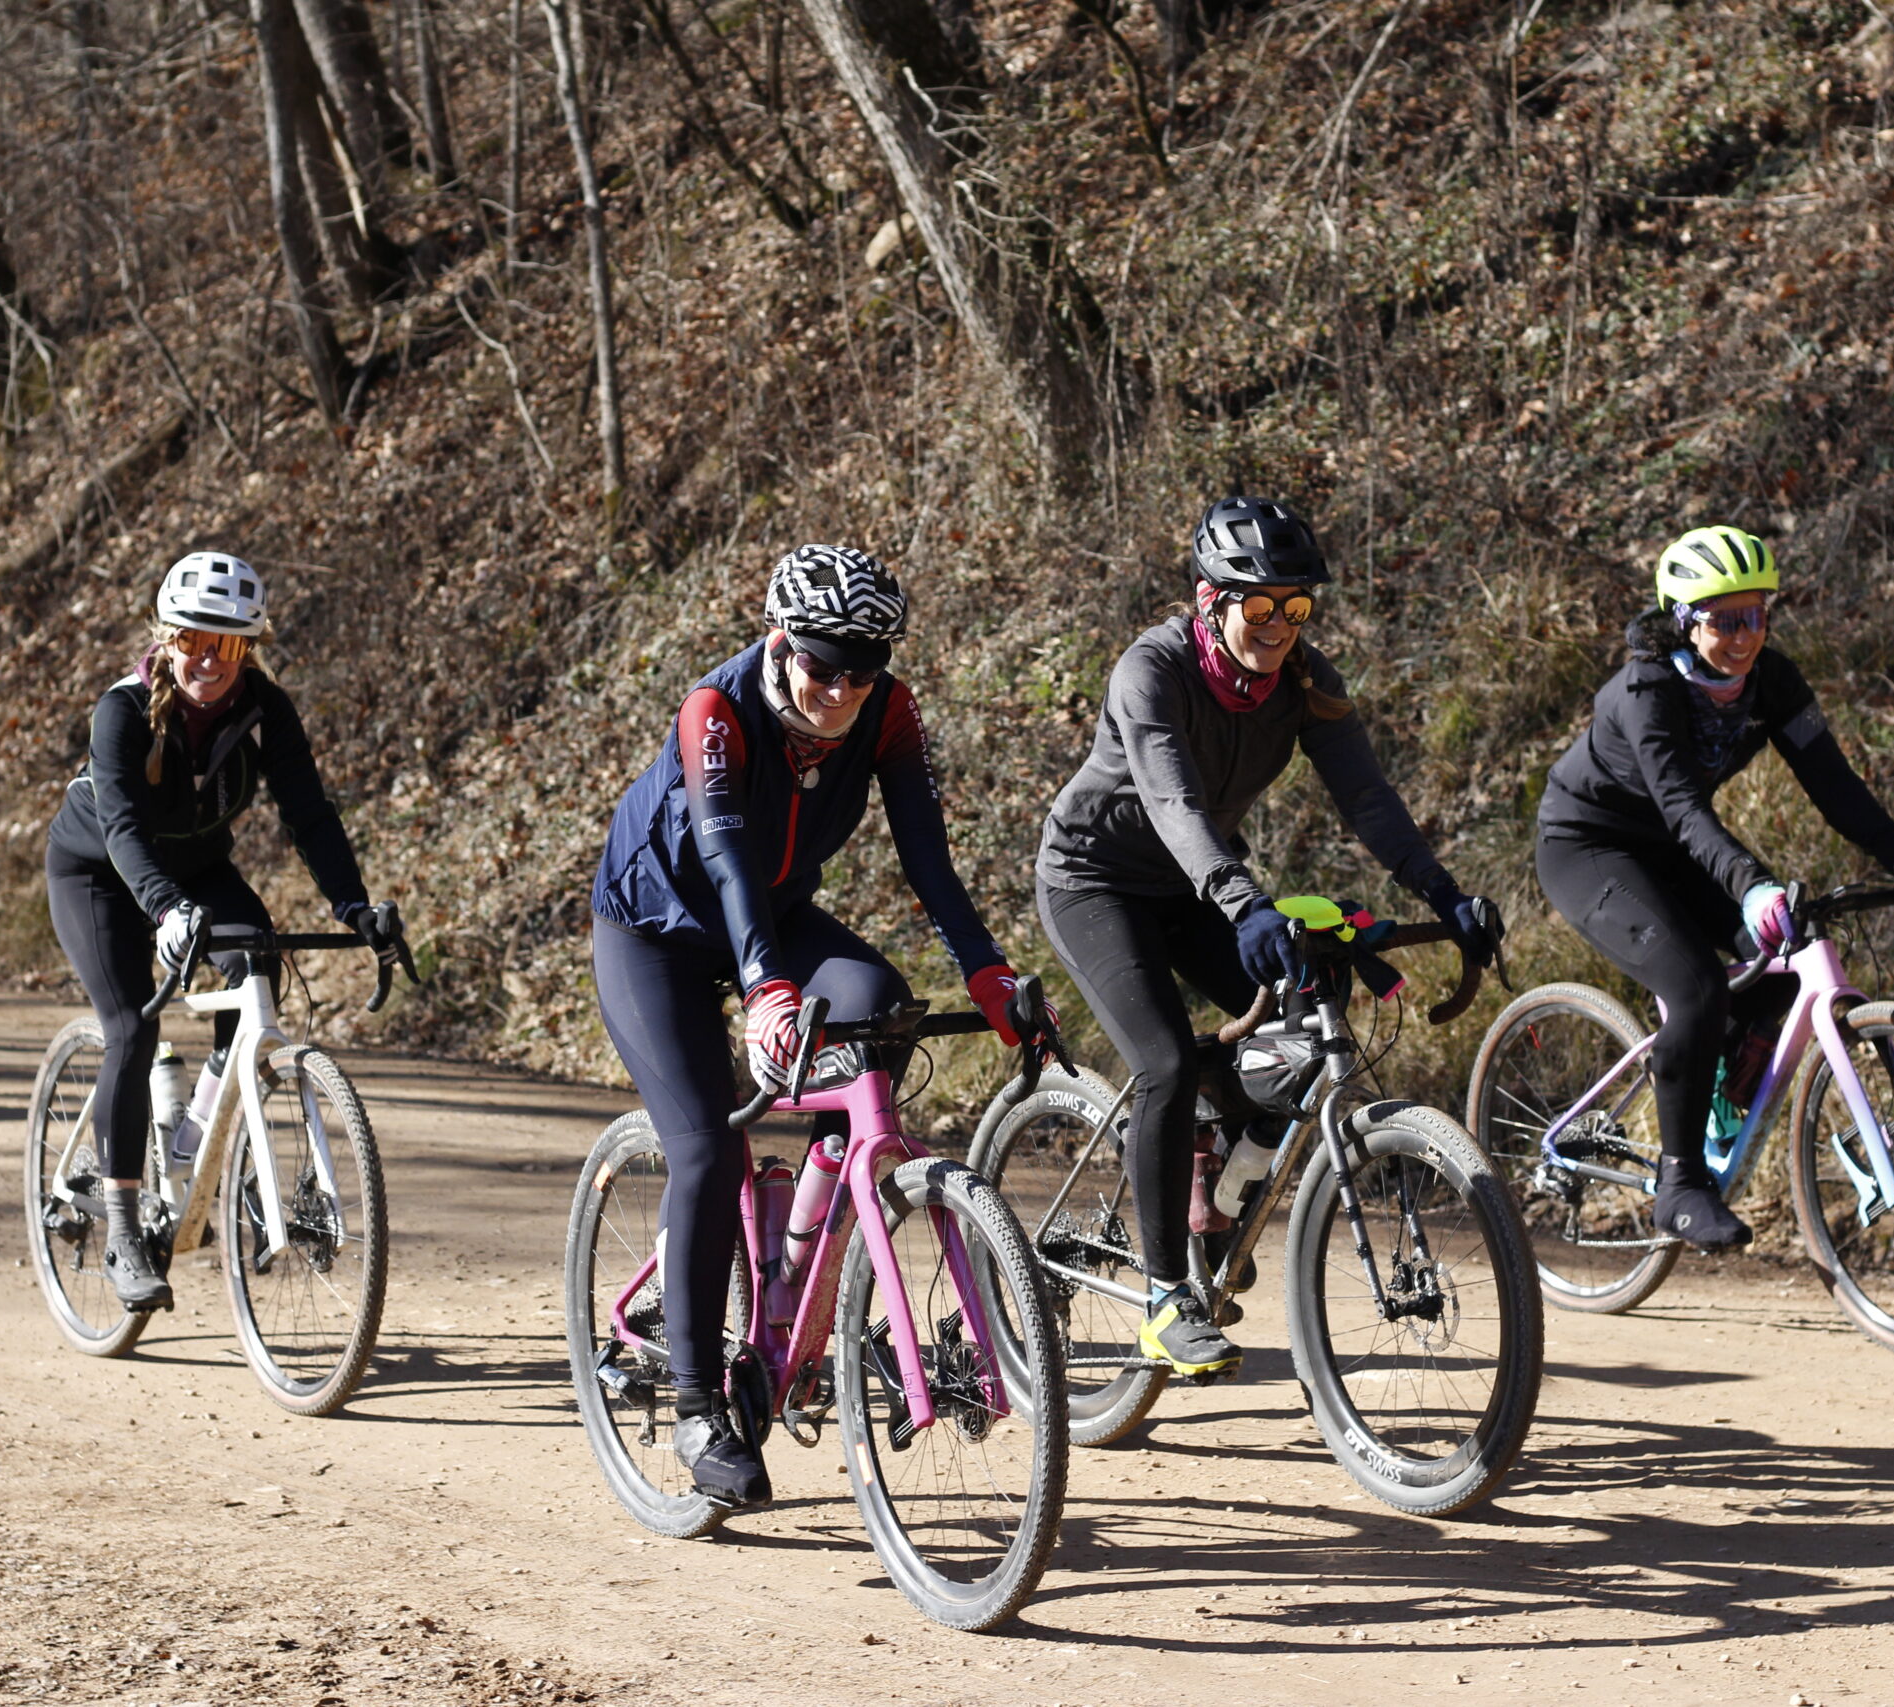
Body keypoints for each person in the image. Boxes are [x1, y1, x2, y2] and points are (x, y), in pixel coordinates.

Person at [589, 544, 1045, 1509]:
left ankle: (794, 1270)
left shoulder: (889, 710)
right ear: (779, 640)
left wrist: (989, 971)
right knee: (709, 1144)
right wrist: (763, 989)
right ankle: (695, 1403)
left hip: (778, 912)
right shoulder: (716, 712)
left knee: (878, 1009)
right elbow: (724, 860)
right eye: (822, 664)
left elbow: (929, 858)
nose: (842, 687)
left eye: (863, 666)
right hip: (659, 929)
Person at [1034, 496, 1502, 1382]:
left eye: (1295, 608)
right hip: (1096, 880)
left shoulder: (1306, 683)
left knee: (1296, 1029)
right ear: (1209, 601)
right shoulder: (1152, 671)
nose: (1278, 626)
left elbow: (1368, 801)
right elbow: (1172, 804)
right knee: (1167, 1061)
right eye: (1257, 606)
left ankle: (1213, 1192)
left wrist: (1446, 893)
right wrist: (1245, 901)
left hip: (1201, 882)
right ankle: (1168, 1294)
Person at [1535, 525, 1894, 1249]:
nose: (1745, 636)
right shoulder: (1646, 689)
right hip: (1591, 847)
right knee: (1699, 986)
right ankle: (1678, 1184)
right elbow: (1682, 806)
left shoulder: (1772, 679)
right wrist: (1752, 885)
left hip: (1676, 848)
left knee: (1780, 971)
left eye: (1758, 614)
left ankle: (1706, 1086)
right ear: (1682, 619)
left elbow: (1837, 789)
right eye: (1725, 619)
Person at [44, 552, 413, 1315]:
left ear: (252, 648)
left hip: (199, 866)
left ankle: (197, 1146)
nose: (207, 659)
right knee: (130, 1028)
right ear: (166, 636)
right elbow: (120, 826)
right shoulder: (121, 710)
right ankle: (121, 1224)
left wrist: (354, 906)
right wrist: (165, 909)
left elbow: (309, 815)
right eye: (191, 640)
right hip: (101, 872)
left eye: (229, 645)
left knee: (258, 962)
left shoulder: (265, 711)